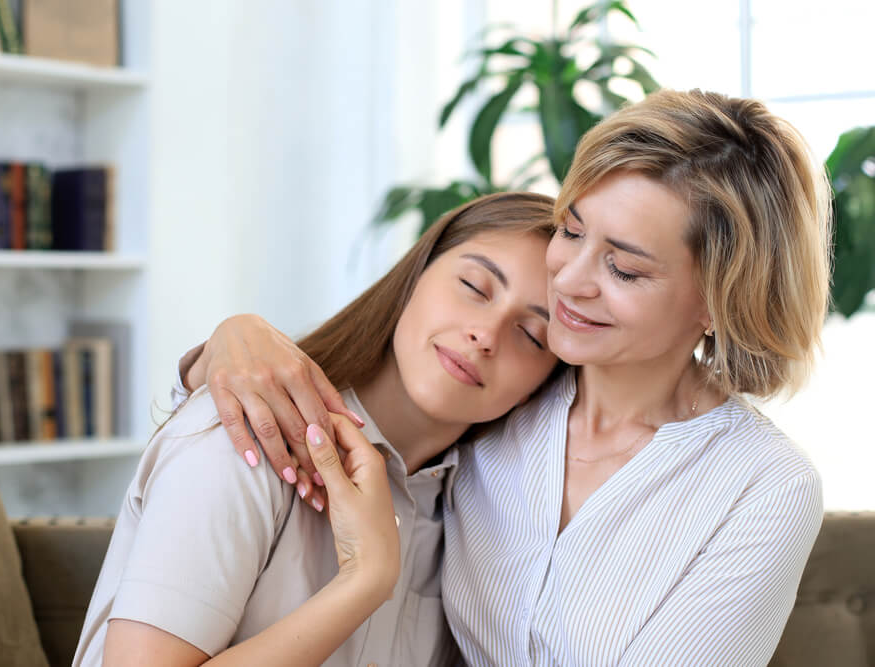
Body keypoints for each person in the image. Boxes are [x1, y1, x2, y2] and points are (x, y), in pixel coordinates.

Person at [181, 89, 832, 665]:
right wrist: (234, 338)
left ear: (723, 301)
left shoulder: (766, 485)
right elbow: (366, 376)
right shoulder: (504, 389)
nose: (570, 283)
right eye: (572, 231)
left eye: (624, 269)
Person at [72, 192, 561, 666]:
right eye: (474, 287)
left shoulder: (480, 516)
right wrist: (365, 581)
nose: (486, 334)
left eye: (531, 335)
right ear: (415, 274)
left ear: (541, 386)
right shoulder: (246, 436)